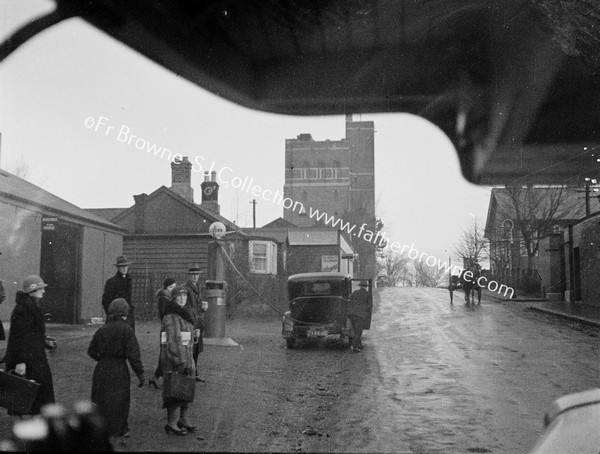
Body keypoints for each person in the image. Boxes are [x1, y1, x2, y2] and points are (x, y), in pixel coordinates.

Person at [87, 298, 145, 440]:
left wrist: (102, 360)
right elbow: (134, 356)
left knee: (100, 398)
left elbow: (91, 351)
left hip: (101, 368)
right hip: (119, 369)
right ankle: (120, 429)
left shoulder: (102, 329)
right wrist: (140, 375)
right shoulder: (127, 330)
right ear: (125, 313)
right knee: (120, 400)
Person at [4, 275, 56, 415]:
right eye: (41, 288)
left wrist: (44, 341)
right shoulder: (24, 309)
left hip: (35, 359)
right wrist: (20, 363)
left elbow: (31, 333)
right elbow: (20, 338)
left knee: (38, 399)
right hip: (30, 361)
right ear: (32, 290)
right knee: (36, 399)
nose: (43, 291)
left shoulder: (29, 307)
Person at [160, 285, 196, 435]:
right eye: (179, 296)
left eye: (185, 296)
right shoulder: (171, 317)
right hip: (176, 360)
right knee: (174, 390)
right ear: (174, 298)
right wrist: (181, 362)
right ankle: (172, 423)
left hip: (187, 357)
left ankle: (183, 419)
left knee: (186, 388)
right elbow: (173, 343)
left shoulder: (184, 314)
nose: (182, 298)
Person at [148, 277, 176, 389]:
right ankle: (157, 377)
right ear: (165, 288)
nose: (172, 289)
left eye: (174, 287)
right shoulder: (164, 299)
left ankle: (156, 377)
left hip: (168, 328)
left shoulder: (168, 298)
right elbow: (165, 314)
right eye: (170, 287)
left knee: (165, 354)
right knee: (165, 354)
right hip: (166, 329)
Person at [183, 264, 208, 382]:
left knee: (197, 349)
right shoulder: (185, 289)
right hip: (190, 322)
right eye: (192, 275)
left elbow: (197, 306)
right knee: (189, 348)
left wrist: (203, 309)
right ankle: (189, 373)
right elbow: (186, 307)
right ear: (188, 276)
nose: (194, 277)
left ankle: (195, 372)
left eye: (197, 275)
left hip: (198, 322)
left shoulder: (198, 287)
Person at [101, 255, 135, 331]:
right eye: (122, 266)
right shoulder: (111, 282)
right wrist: (111, 314)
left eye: (126, 266)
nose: (124, 268)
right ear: (118, 267)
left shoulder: (129, 281)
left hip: (128, 316)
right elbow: (105, 300)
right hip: (115, 317)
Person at [347, 280, 372, 353]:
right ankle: (353, 346)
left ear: (360, 286)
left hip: (352, 315)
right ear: (366, 287)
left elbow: (350, 303)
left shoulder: (354, 293)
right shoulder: (368, 294)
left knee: (355, 330)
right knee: (359, 332)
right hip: (360, 315)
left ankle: (359, 345)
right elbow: (369, 307)